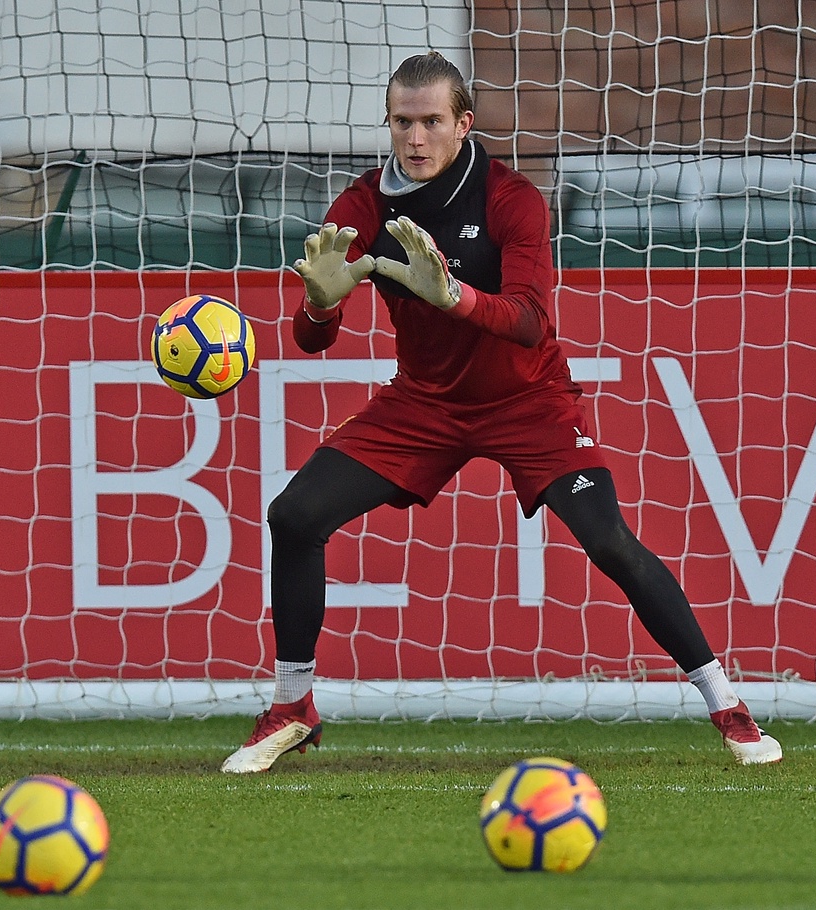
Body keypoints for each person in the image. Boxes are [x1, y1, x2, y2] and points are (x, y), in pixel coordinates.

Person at [221, 51, 782, 773]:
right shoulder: (360, 208)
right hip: (423, 403)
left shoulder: (511, 197)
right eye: (401, 122)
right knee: (294, 515)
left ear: (463, 123)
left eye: (430, 122)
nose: (414, 138)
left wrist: (452, 296)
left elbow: (529, 321)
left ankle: (727, 706)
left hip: (529, 402)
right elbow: (311, 341)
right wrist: (321, 304)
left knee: (610, 542)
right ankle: (293, 707)